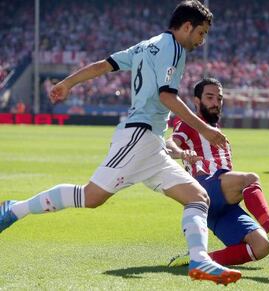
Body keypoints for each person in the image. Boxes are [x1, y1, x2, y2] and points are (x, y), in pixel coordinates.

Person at [0, 1, 241, 285]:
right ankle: (14, 209)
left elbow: (103, 65)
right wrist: (205, 130)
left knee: (198, 197)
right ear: (187, 27)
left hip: (152, 143)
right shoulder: (174, 49)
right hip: (138, 137)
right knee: (91, 197)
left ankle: (200, 261)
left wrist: (68, 82)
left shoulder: (144, 46)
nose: (202, 40)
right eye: (201, 33)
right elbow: (167, 96)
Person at [165, 78, 269, 267]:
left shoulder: (215, 129)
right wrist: (182, 153)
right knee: (250, 179)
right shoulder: (191, 123)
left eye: (219, 99)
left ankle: (197, 259)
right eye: (210, 97)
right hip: (204, 188)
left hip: (222, 206)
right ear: (196, 101)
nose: (216, 103)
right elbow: (169, 143)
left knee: (261, 247)